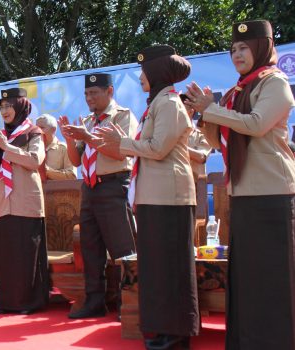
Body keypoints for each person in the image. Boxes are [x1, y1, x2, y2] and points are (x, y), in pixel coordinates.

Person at [185, 19, 295, 349]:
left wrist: (214, 110)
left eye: (244, 48)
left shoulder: (275, 83)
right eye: (233, 49)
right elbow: (219, 142)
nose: (237, 54)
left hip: (273, 194)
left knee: (274, 276)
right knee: (248, 277)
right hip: (243, 193)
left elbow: (258, 124)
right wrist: (203, 117)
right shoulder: (237, 91)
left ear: (263, 47)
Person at [96, 44, 199, 349]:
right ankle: (161, 328)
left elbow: (157, 148)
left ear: (157, 73)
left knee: (172, 267)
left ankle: (176, 333)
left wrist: (122, 142)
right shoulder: (156, 104)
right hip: (154, 196)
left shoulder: (169, 103)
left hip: (171, 197)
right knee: (156, 267)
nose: (140, 76)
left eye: (144, 70)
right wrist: (119, 142)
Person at [58, 73, 138, 319]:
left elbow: (122, 153)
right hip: (90, 187)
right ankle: (95, 301)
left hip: (114, 186)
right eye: (86, 94)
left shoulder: (123, 116)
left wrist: (87, 137)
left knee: (123, 248)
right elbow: (75, 160)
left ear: (110, 91)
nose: (89, 98)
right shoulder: (88, 121)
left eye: (94, 93)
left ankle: (131, 303)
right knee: (90, 247)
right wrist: (70, 139)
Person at [0, 88, 49, 314]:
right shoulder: (0, 135)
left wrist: (7, 148)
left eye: (9, 106)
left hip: (25, 201)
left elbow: (35, 160)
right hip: (2, 202)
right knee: (5, 255)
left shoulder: (33, 132)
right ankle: (6, 302)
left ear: (20, 106)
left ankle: (28, 302)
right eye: (1, 106)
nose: (4, 111)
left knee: (26, 254)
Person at [179, 94, 212, 181]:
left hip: (195, 188)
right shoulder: (168, 132)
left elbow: (201, 157)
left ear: (191, 112)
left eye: (180, 109)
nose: (176, 113)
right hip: (171, 186)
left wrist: (176, 147)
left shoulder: (202, 133)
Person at [35, 114, 77, 182]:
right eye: (36, 128)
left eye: (42, 127)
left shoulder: (64, 148)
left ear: (53, 129)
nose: (38, 131)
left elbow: (72, 176)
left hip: (57, 192)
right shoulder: (32, 149)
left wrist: (45, 171)